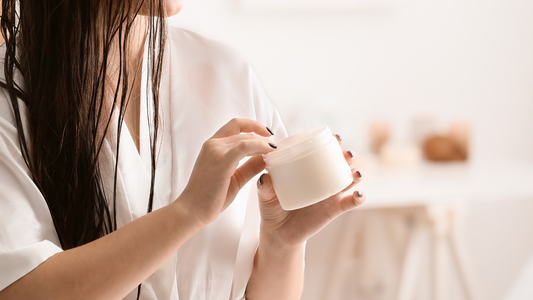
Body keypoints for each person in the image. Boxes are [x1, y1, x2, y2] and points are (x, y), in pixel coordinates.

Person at [0, 0, 366, 299]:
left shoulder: (228, 72)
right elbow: (20, 288)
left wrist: (282, 244)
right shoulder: (9, 96)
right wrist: (188, 212)